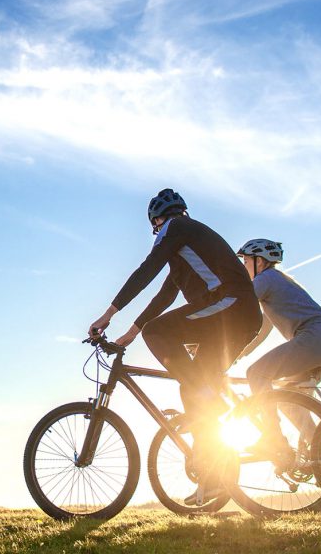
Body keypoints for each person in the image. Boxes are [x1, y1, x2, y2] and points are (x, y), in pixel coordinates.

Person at [89, 189, 262, 505]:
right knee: (192, 390)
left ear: (157, 221)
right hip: (237, 315)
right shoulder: (186, 248)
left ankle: (212, 399)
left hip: (230, 305)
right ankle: (214, 479)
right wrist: (130, 332)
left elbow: (147, 269)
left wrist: (109, 313)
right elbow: (165, 295)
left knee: (161, 335)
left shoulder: (175, 229)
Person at [236, 239, 321, 446]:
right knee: (289, 403)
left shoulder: (266, 279)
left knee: (257, 374)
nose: (244, 266)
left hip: (313, 337)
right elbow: (261, 332)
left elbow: (239, 306)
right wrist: (238, 354)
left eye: (246, 261)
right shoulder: (277, 283)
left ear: (260, 261)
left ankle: (272, 438)